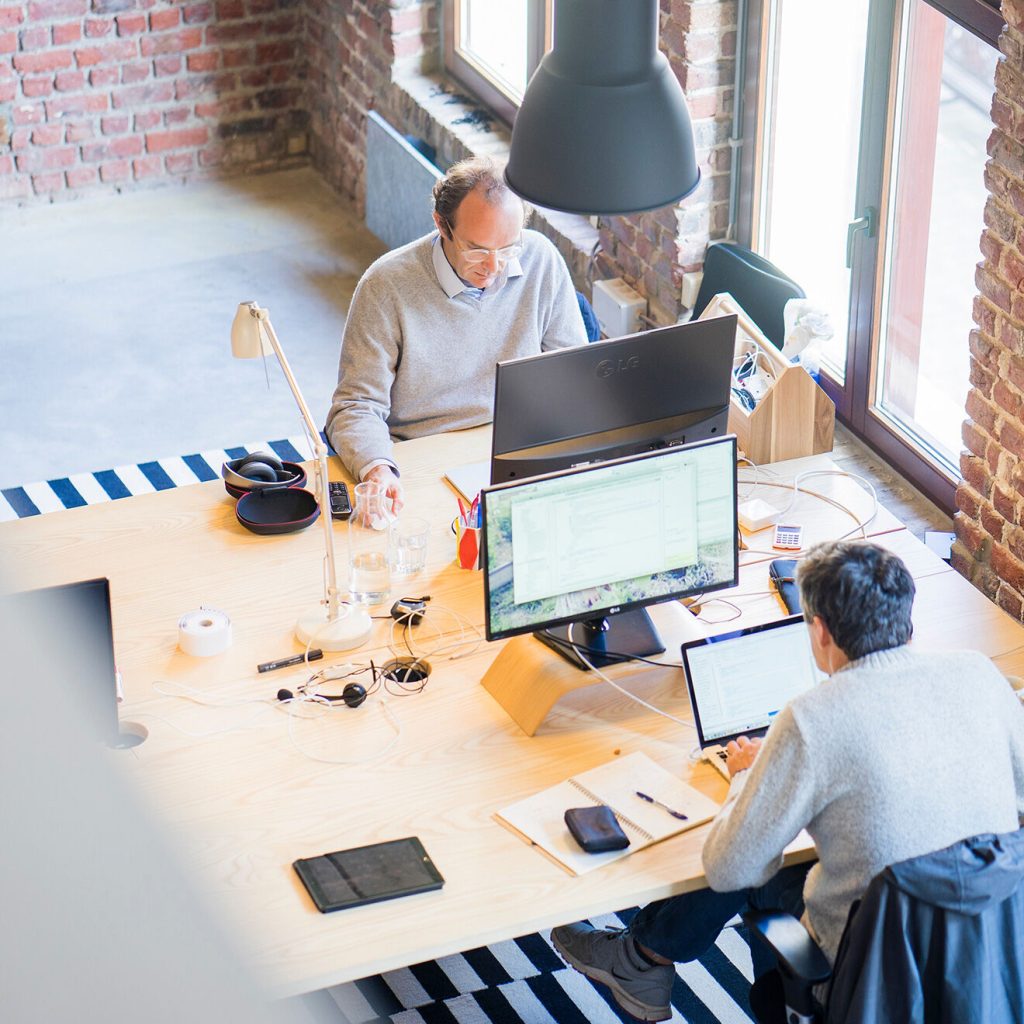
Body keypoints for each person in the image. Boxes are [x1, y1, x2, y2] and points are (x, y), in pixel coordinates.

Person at [552, 540, 1024, 1022]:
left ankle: (642, 960)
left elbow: (730, 870)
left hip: (867, 982)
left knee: (757, 853)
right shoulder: (980, 674)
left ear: (820, 630)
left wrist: (747, 778)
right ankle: (643, 958)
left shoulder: (813, 719)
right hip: (989, 963)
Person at [324, 156, 588, 512]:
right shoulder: (384, 286)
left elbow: (572, 376)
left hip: (512, 448)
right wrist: (378, 469)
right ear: (442, 226)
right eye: (477, 250)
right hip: (418, 456)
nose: (494, 268)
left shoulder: (540, 258)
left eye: (507, 249)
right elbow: (355, 406)